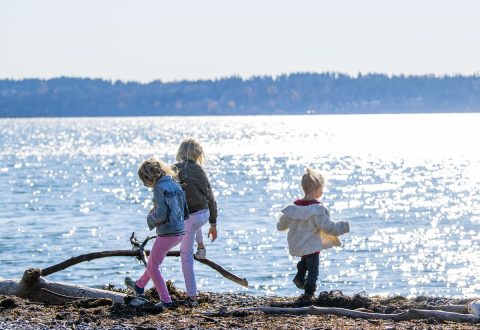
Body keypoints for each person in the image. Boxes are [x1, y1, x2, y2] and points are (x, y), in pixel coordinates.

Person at [277, 168, 350, 303]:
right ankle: (309, 293)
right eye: (322, 188)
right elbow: (328, 228)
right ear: (317, 189)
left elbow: (281, 225)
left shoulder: (293, 208)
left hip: (299, 244)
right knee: (313, 270)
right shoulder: (317, 210)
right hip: (311, 245)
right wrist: (343, 226)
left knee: (305, 261)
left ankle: (299, 277)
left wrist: (284, 225)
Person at [125, 158, 187, 308]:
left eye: (144, 181)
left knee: (153, 266)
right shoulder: (174, 183)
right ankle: (139, 285)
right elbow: (184, 207)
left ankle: (166, 300)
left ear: (148, 178)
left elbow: (161, 214)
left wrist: (150, 218)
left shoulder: (159, 188)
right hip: (179, 231)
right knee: (154, 261)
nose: (146, 185)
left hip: (167, 232)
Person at [173, 138, 218, 307]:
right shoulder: (200, 171)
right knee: (193, 223)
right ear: (198, 155)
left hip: (189, 217)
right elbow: (211, 199)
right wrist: (213, 224)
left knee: (185, 257)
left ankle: (192, 297)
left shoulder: (173, 170)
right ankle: (201, 247)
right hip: (204, 214)